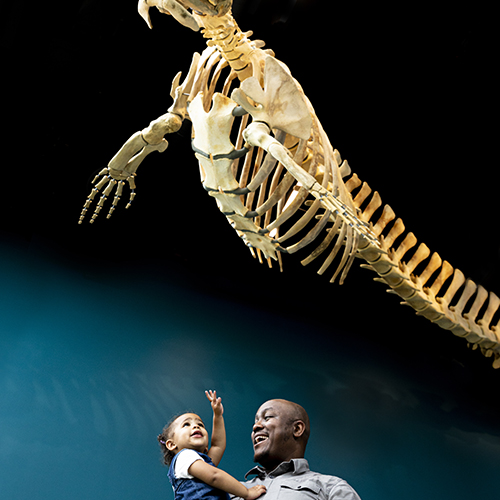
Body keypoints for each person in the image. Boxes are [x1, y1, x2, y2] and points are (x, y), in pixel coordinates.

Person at [233, 399, 362, 500]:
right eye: (256, 421)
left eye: (267, 418)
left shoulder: (331, 487)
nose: (256, 426)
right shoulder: (232, 490)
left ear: (297, 429)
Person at [158, 390, 267, 500]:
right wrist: (246, 492)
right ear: (171, 444)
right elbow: (214, 476)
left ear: (206, 447)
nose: (196, 426)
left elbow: (217, 446)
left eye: (200, 424)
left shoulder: (200, 463)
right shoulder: (184, 457)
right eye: (186, 424)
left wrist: (218, 416)